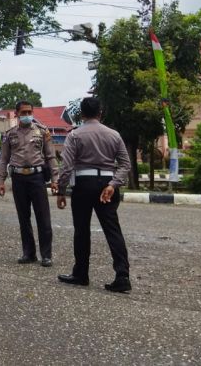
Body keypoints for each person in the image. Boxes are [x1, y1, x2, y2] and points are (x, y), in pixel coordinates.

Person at [55, 97, 132, 292]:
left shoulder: (74, 135)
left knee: (82, 230)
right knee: (113, 230)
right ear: (100, 113)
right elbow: (125, 165)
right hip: (107, 186)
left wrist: (61, 191)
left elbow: (66, 166)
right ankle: (122, 276)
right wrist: (113, 184)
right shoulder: (114, 135)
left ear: (81, 114)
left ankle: (81, 274)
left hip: (83, 185)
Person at [0, 100, 59, 267]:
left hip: (37, 178)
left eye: (29, 112)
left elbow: (51, 156)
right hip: (18, 179)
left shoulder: (42, 131)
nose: (26, 115)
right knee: (24, 218)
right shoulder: (10, 134)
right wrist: (0, 180)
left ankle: (46, 255)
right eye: (23, 112)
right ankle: (29, 253)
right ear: (16, 114)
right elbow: (3, 159)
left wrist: (55, 179)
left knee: (43, 217)